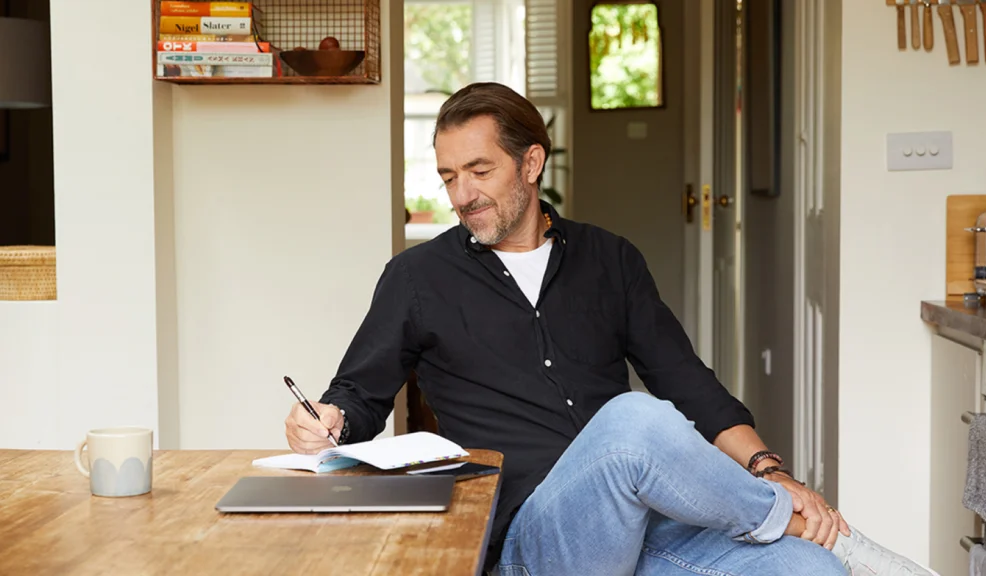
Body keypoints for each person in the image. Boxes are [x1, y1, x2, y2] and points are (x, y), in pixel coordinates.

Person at [284, 82, 934, 576]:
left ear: (531, 163)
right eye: (449, 178)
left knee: (813, 569)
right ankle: (787, 517)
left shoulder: (609, 259)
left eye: (480, 171)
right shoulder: (417, 277)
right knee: (632, 423)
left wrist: (769, 467)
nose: (461, 195)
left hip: (651, 526)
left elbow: (686, 380)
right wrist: (326, 421)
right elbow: (358, 396)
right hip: (533, 540)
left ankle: (796, 522)